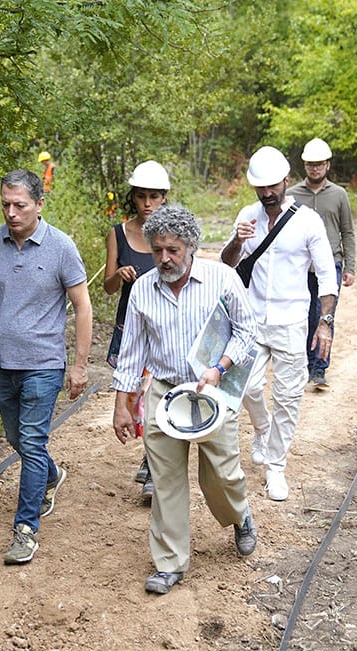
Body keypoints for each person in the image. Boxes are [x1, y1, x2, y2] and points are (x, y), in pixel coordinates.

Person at [112, 204, 259, 595]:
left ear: (191, 246)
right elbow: (131, 353)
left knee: (221, 476)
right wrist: (121, 404)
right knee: (166, 481)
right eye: (157, 250)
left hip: (213, 389)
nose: (164, 259)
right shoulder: (144, 288)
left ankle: (239, 516)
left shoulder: (222, 279)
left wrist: (220, 367)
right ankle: (170, 563)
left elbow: (247, 331)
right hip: (164, 392)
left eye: (173, 250)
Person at [0, 168, 92, 565]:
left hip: (45, 364)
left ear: (39, 204)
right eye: (5, 204)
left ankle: (26, 529)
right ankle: (50, 475)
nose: (11, 213)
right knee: (18, 440)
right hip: (4, 363)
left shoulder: (61, 248)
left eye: (20, 205)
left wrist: (80, 365)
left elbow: (83, 306)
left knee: (32, 442)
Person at [220, 146, 337, 502]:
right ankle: (261, 429)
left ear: (286, 181)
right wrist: (237, 240)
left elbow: (328, 275)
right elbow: (227, 265)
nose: (268, 193)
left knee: (287, 397)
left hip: (291, 321)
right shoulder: (246, 216)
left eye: (273, 186)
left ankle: (276, 468)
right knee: (246, 388)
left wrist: (325, 322)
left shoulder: (307, 221)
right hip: (251, 320)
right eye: (261, 187)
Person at [103, 160, 171, 503]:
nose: (147, 203)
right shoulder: (119, 233)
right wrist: (121, 273)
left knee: (153, 396)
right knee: (133, 397)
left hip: (163, 329)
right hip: (130, 327)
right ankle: (149, 455)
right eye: (142, 196)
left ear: (164, 198)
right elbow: (107, 286)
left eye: (154, 196)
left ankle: (153, 463)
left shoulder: (170, 238)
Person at [286, 138, 355, 389]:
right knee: (304, 316)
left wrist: (350, 267)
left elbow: (347, 231)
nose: (315, 169)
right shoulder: (292, 195)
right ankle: (304, 365)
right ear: (304, 166)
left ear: (327, 165)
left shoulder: (339, 195)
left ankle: (319, 370)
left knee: (325, 316)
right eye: (310, 165)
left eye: (319, 164)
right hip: (302, 266)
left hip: (332, 264)